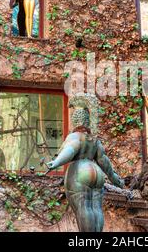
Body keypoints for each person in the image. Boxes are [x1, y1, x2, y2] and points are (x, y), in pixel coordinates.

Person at [46, 94, 123, 232]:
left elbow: (71, 149)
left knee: (83, 207)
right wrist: (114, 178)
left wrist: (56, 162)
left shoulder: (74, 136)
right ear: (87, 122)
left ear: (75, 121)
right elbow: (103, 160)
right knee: (96, 208)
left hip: (79, 171)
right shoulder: (94, 140)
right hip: (96, 172)